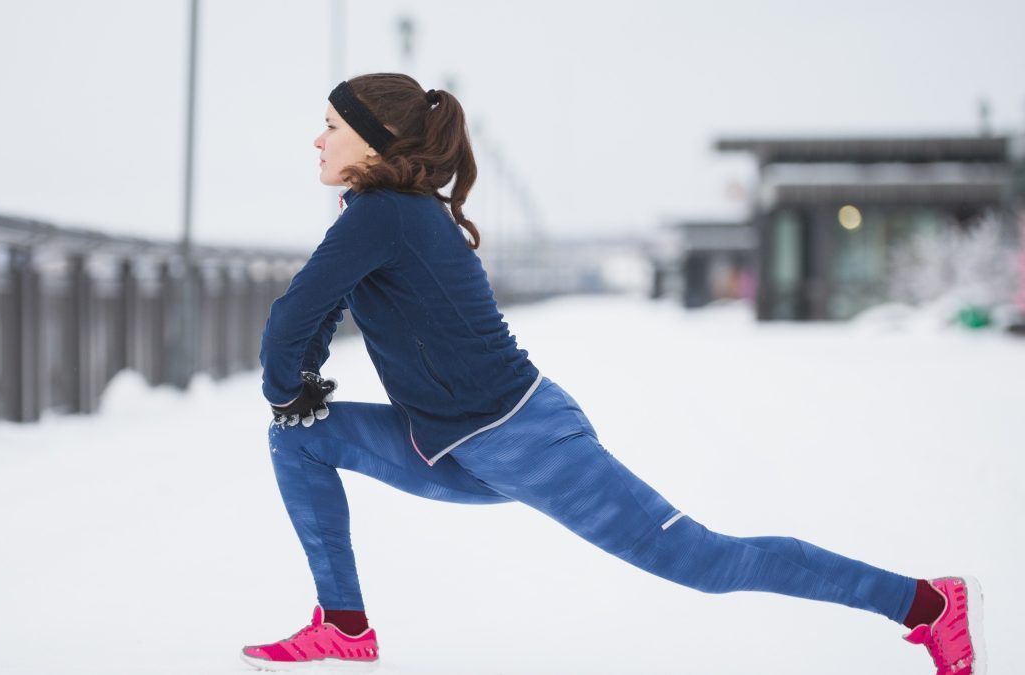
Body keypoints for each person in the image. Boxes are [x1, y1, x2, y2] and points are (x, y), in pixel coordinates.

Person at [239, 73, 986, 674]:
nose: (319, 137)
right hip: (451, 440)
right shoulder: (381, 213)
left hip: (526, 439)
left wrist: (290, 381)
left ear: (373, 141)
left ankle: (928, 604)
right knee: (297, 437)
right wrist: (297, 386)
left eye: (332, 126)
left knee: (706, 559)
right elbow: (309, 315)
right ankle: (344, 624)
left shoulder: (382, 215)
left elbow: (291, 317)